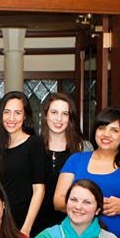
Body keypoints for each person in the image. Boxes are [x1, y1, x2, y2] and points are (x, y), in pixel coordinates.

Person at [54, 106, 120, 238]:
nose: (106, 134)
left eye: (114, 130)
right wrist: (90, 206)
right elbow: (58, 201)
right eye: (102, 128)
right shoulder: (76, 160)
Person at [0, 91, 49, 237]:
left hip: (24, 223)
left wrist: (26, 229)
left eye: (17, 113)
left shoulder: (34, 143)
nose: (11, 118)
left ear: (25, 116)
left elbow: (39, 190)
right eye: (7, 112)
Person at [40, 92, 92, 230]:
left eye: (65, 114)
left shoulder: (83, 148)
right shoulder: (33, 146)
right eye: (54, 112)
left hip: (74, 223)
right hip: (37, 224)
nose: (59, 119)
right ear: (45, 115)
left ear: (70, 118)